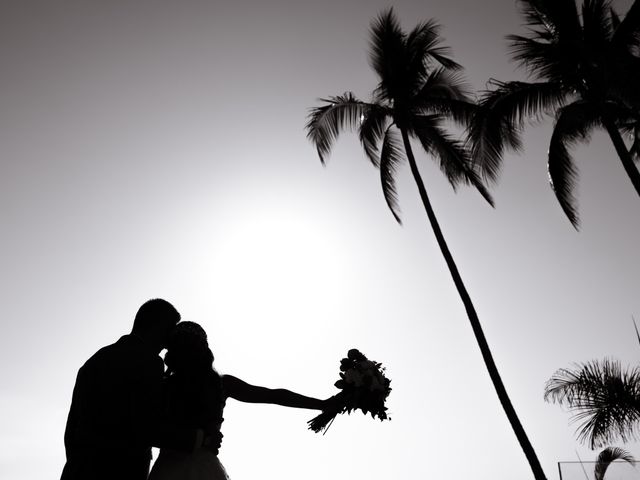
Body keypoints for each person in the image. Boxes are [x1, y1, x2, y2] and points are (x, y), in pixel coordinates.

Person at [148, 321, 332, 480]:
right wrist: (321, 404)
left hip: (167, 468)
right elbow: (273, 395)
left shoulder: (162, 385)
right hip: (204, 468)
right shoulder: (220, 384)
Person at [61, 299, 206, 480]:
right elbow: (145, 427)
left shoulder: (95, 360)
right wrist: (199, 439)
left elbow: (71, 430)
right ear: (158, 325)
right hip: (121, 471)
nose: (171, 340)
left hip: (78, 471)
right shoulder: (149, 362)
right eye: (170, 329)